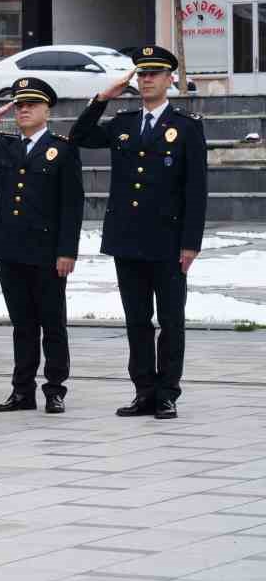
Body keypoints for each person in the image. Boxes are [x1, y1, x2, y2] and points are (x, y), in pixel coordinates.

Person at [69, 46, 206, 420]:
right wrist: (101, 99)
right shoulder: (124, 124)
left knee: (171, 321)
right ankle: (144, 390)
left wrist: (191, 243)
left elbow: (196, 190)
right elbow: (79, 136)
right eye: (142, 74)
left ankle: (167, 393)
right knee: (137, 321)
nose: (146, 80)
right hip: (128, 238)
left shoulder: (187, 127)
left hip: (168, 240)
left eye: (154, 74)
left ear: (168, 80)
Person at [0, 78, 84, 414]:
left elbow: (72, 205)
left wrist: (67, 251)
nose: (24, 110)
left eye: (32, 104)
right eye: (19, 105)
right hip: (11, 248)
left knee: (52, 322)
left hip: (47, 252)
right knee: (22, 324)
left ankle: (55, 388)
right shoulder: (5, 146)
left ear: (47, 109)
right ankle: (22, 390)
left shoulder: (61, 149)